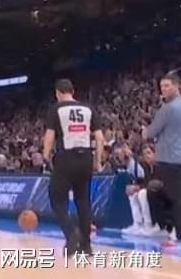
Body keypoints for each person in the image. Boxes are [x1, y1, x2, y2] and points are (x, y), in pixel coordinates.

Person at [43, 79, 104, 255]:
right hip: (86, 157)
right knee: (83, 200)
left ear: (57, 93)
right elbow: (99, 137)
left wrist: (46, 155)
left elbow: (50, 135)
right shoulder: (88, 108)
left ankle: (71, 234)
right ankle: (86, 245)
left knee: (57, 199)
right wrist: (98, 160)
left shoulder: (56, 109)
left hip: (66, 157)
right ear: (73, 91)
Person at [142, 71, 181, 243]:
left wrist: (145, 131)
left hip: (169, 159)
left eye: (167, 86)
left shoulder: (167, 109)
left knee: (173, 198)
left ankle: (176, 234)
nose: (163, 89)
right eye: (161, 86)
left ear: (177, 86)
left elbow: (150, 133)